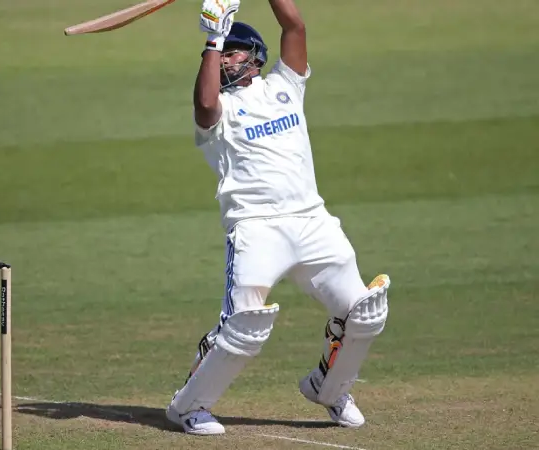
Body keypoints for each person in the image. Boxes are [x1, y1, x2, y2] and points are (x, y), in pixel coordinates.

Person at [164, 0, 392, 436]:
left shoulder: (286, 84)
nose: (223, 59)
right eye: (219, 54)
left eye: (231, 52)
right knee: (245, 327)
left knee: (364, 311)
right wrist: (212, 36)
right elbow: (205, 104)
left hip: (312, 220)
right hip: (256, 228)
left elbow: (294, 23)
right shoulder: (218, 112)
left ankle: (329, 387)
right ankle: (188, 407)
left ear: (255, 56)